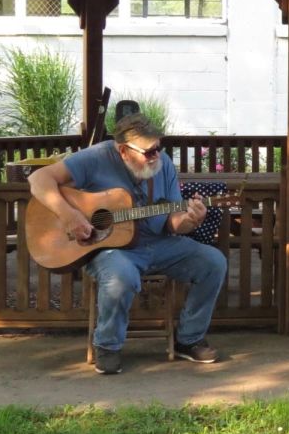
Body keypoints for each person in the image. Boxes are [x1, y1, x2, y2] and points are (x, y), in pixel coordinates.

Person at [29, 113, 227, 375]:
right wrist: (71, 216)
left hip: (159, 243)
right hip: (112, 249)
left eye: (159, 147)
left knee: (213, 263)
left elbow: (173, 221)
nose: (156, 155)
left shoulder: (163, 164)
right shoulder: (95, 158)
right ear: (123, 150)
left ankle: (189, 339)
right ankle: (108, 346)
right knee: (121, 275)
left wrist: (191, 221)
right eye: (149, 151)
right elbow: (38, 180)